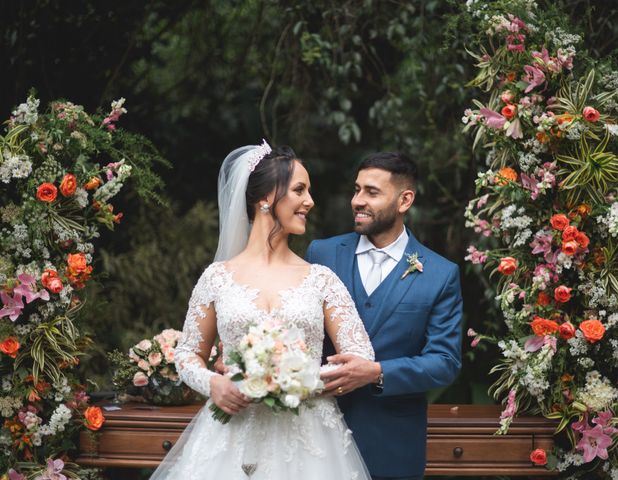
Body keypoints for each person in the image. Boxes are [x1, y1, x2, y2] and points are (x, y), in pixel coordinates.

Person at [150, 142, 375, 480]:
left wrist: (296, 380)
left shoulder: (321, 280)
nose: (309, 201)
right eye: (299, 190)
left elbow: (360, 355)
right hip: (231, 436)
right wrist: (214, 383)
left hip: (309, 441)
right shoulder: (216, 278)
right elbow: (187, 355)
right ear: (266, 197)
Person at [305, 152, 463, 480]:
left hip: (392, 443)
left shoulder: (440, 274)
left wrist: (376, 372)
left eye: (372, 192)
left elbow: (444, 361)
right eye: (357, 189)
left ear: (404, 200)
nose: (358, 201)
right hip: (316, 435)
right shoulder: (322, 253)